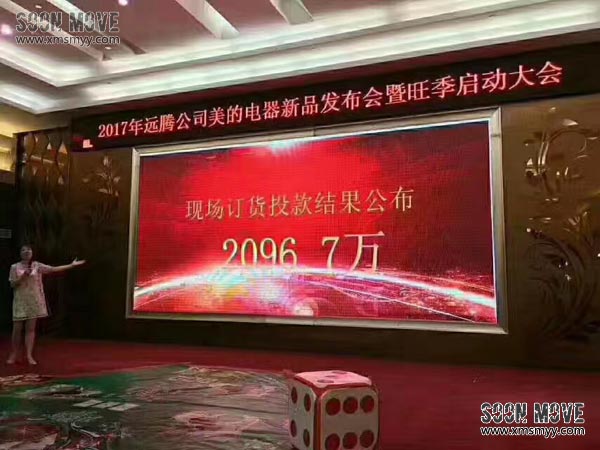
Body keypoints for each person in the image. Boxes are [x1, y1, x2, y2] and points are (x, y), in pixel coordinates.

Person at [6, 245, 86, 365]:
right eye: (24, 250)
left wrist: (71, 265)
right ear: (20, 253)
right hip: (20, 300)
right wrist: (23, 276)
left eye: (29, 250)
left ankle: (29, 355)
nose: (27, 251)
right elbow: (12, 284)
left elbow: (53, 269)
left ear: (32, 253)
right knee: (17, 329)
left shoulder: (37, 265)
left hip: (34, 300)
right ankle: (14, 354)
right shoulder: (14, 267)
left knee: (30, 329)